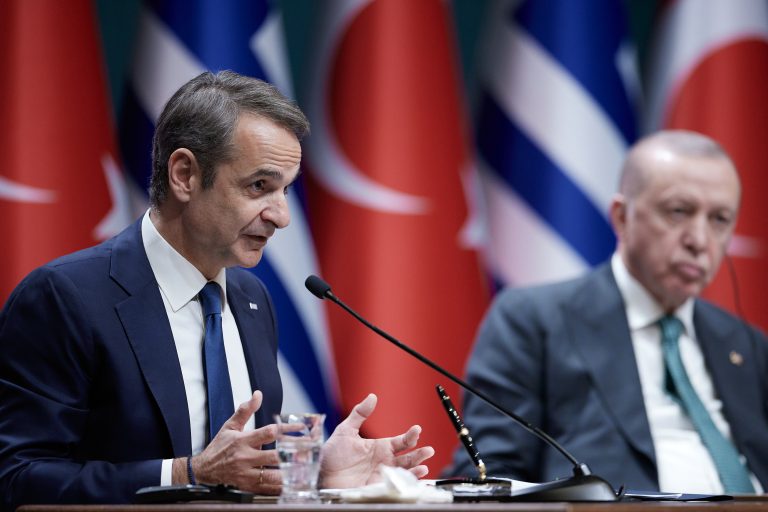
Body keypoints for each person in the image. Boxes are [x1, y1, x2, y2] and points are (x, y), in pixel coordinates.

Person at [0, 71, 433, 509]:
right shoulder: (65, 298)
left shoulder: (252, 299)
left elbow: (238, 473)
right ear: (184, 175)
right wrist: (186, 474)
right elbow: (17, 477)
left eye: (285, 189)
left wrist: (314, 475)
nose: (282, 216)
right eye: (259, 186)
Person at [449, 130, 768, 494]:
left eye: (720, 219)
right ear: (622, 217)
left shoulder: (747, 344)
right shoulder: (533, 320)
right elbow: (488, 474)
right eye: (678, 211)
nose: (699, 240)